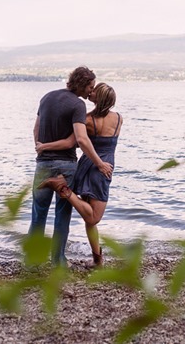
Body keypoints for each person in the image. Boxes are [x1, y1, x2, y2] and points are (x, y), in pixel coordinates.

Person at [29, 67, 113, 267]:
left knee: (38, 214)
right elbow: (81, 140)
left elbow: (36, 129)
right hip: (66, 165)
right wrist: (100, 164)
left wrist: (40, 149)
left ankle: (32, 262)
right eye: (90, 87)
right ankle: (58, 261)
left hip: (43, 163)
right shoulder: (77, 105)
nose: (91, 92)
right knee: (62, 215)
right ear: (82, 85)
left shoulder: (46, 97)